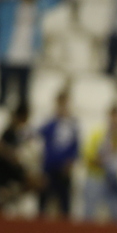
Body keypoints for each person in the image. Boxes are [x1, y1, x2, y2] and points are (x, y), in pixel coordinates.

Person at [37, 89, 80, 218]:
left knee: (64, 205)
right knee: (43, 204)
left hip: (64, 171)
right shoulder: (50, 123)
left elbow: (76, 147)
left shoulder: (72, 124)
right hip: (48, 168)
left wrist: (70, 163)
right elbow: (38, 136)